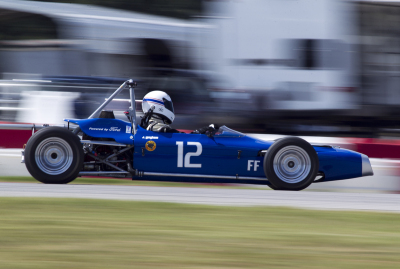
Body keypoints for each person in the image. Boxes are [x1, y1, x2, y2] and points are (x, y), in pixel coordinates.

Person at [140, 91, 219, 135]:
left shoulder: (149, 126)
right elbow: (183, 138)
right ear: (157, 105)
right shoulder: (158, 127)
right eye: (167, 105)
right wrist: (201, 131)